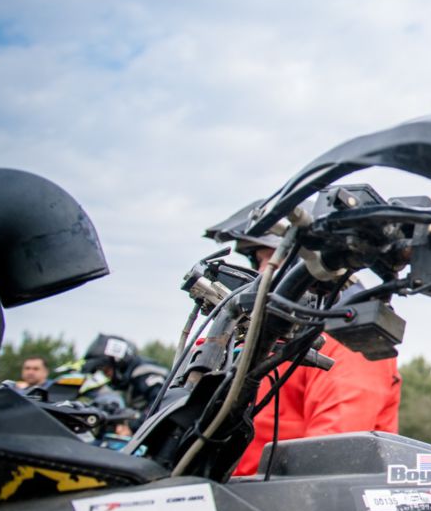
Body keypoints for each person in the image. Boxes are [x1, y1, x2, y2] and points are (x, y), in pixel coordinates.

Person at [203, 201, 402, 477]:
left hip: (284, 496)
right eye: (259, 261)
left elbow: (327, 457)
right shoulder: (255, 339)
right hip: (225, 487)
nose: (262, 271)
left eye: (274, 258)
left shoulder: (345, 343)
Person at [82, 334, 168, 414]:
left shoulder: (145, 372)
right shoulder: (129, 380)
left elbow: (159, 406)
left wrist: (131, 422)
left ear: (118, 364)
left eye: (106, 370)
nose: (106, 376)